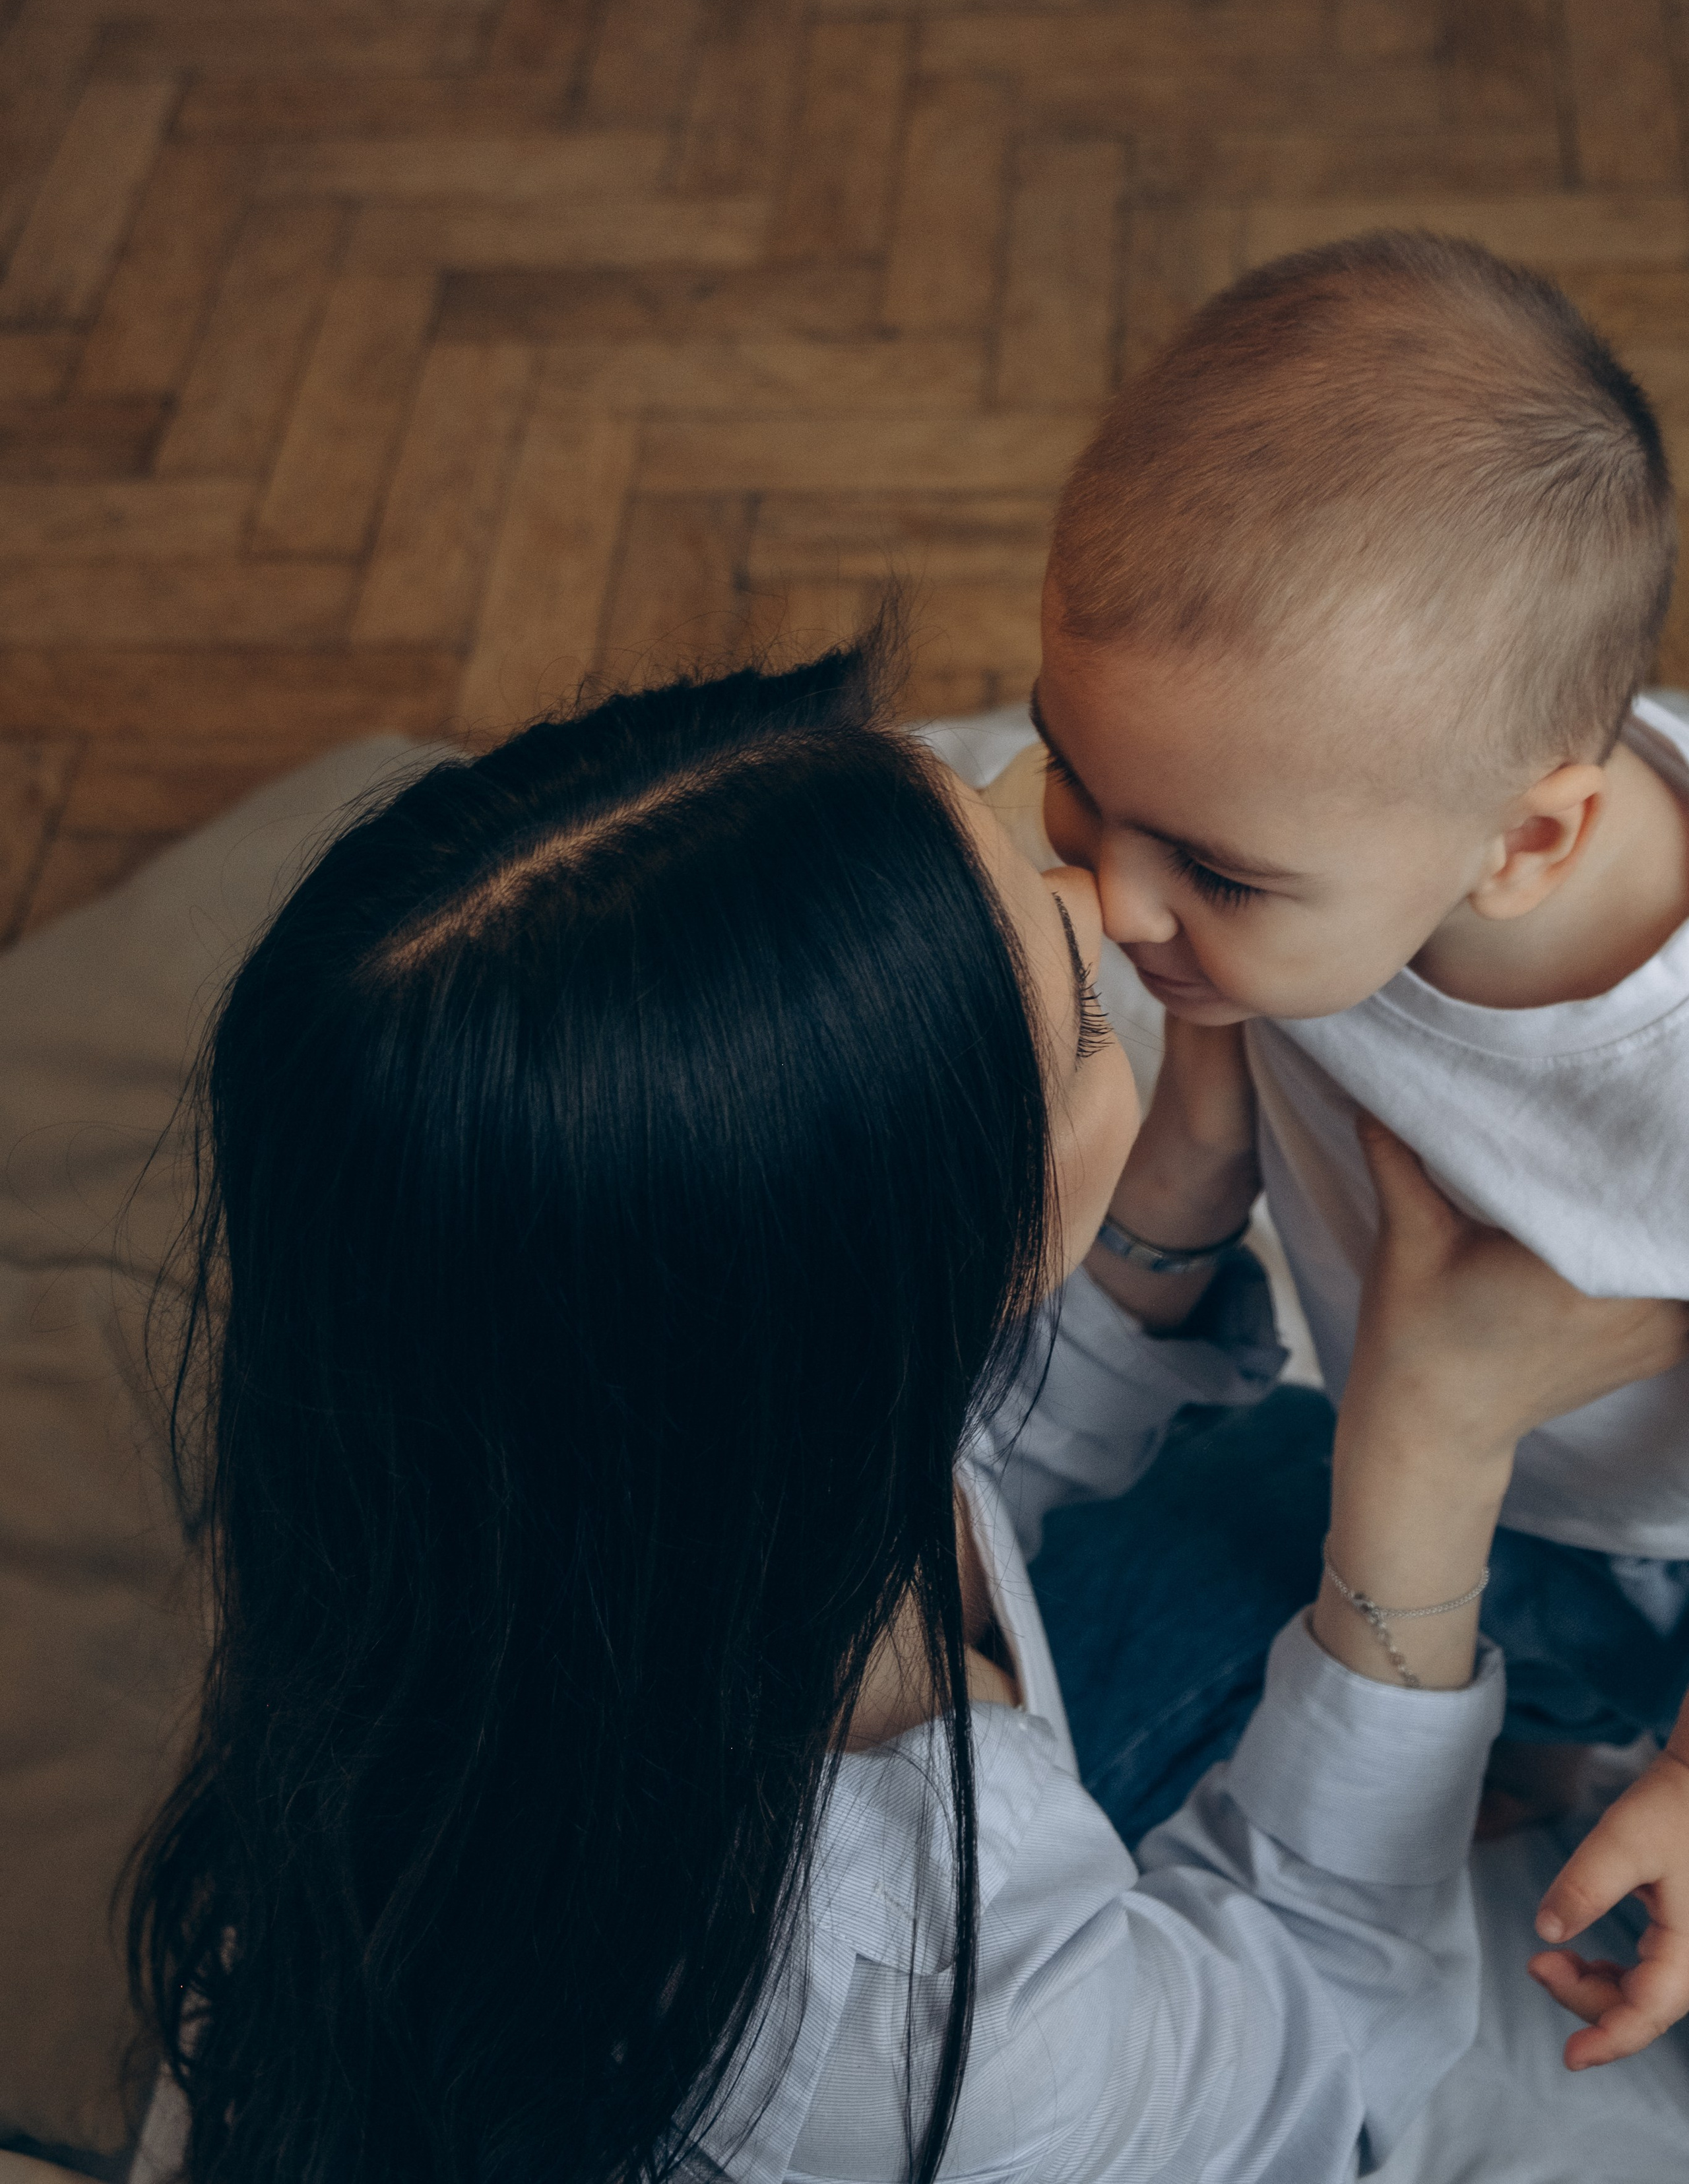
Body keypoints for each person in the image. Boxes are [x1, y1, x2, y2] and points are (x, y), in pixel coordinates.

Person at [125, 637, 1685, 2184]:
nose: (1108, 908)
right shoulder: (919, 2022)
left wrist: (1165, 1195)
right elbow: (1314, 2036)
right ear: (906, 1290)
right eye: (1080, 1023)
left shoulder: (528, 1423)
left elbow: (980, 1451)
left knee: (1313, 1495)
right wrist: (1433, 1445)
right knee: (1356, 1510)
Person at [1027, 228, 1689, 2068]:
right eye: (1073, 769)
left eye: (1215, 874)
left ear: (1529, 847)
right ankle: (1530, 1745)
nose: (1107, 895)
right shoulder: (1349, 782)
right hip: (1412, 1473)